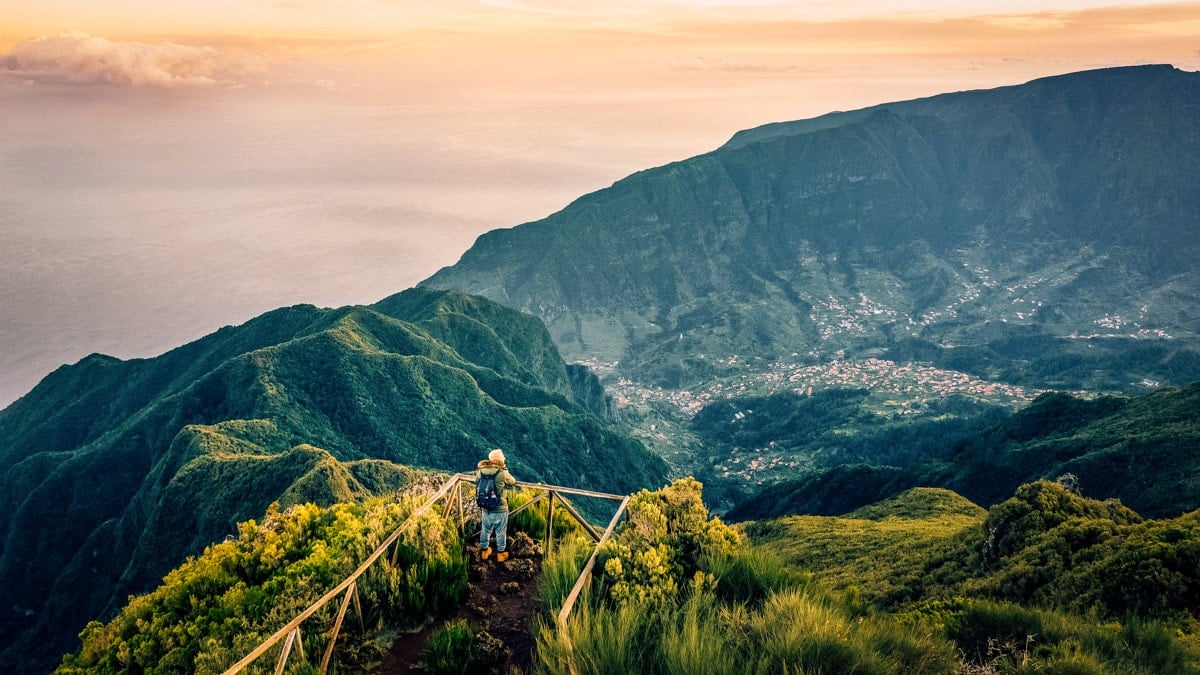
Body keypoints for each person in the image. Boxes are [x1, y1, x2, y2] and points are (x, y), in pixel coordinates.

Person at [475, 448, 518, 562]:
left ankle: (484, 551)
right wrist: (505, 474)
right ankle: (501, 554)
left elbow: (477, 484)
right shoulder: (502, 473)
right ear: (499, 459)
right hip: (500, 508)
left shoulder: (480, 471)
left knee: (485, 529)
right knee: (500, 532)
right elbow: (512, 482)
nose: (505, 458)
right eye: (503, 456)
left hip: (485, 507)